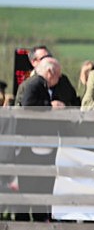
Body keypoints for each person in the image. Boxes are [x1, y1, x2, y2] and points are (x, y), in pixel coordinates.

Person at [15, 57, 66, 221]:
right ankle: (25, 219)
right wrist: (50, 106)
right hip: (32, 143)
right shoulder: (34, 84)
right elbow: (28, 105)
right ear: (50, 72)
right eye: (58, 76)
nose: (58, 80)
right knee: (31, 183)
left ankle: (37, 217)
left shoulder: (39, 84)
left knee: (39, 183)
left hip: (39, 142)